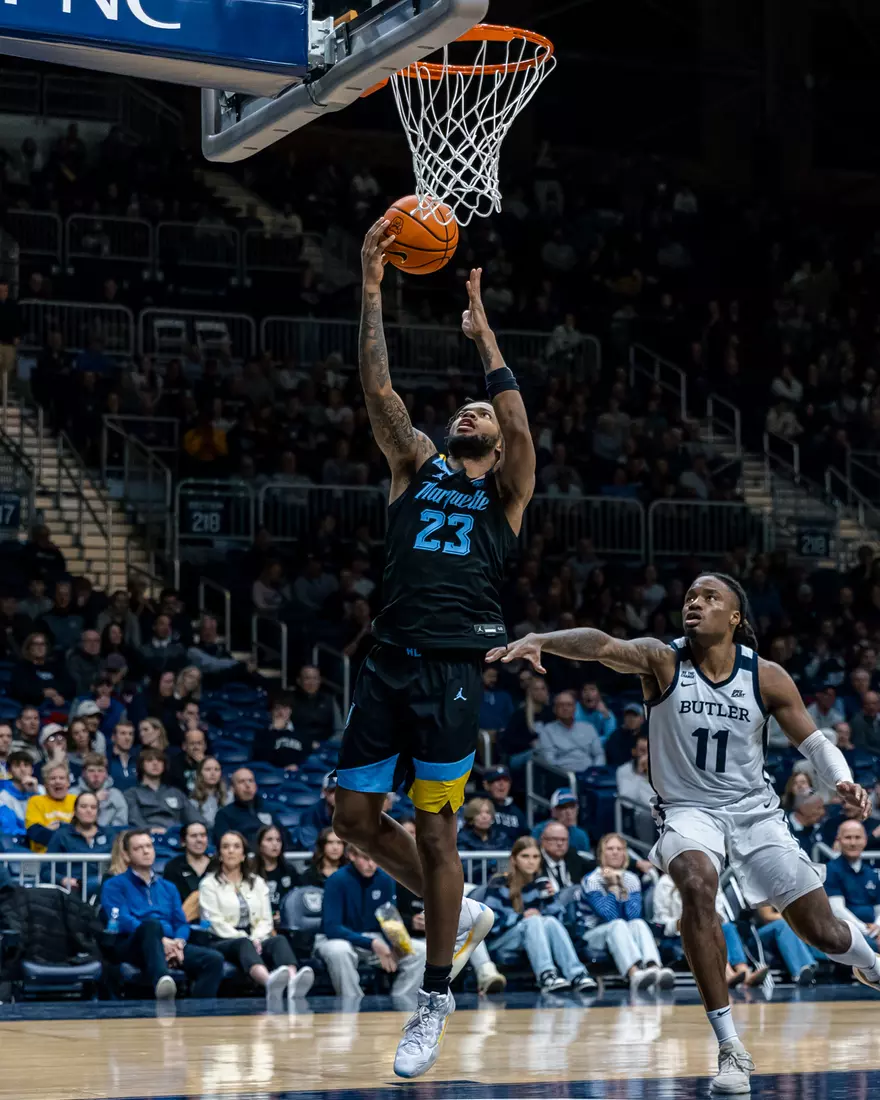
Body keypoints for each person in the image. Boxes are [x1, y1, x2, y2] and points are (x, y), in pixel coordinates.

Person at [491, 571, 880, 1093]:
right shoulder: (663, 659)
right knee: (697, 886)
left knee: (824, 934)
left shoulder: (765, 676)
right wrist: (545, 639)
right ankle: (730, 1047)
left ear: (735, 616)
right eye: (690, 595)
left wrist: (843, 781)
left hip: (755, 813)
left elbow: (814, 743)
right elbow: (602, 645)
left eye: (709, 597)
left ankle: (871, 965)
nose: (694, 602)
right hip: (686, 810)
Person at [333, 228, 535, 1079]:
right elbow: (378, 388)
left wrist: (485, 337)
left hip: (452, 674)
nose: (471, 414)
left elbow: (518, 422)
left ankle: (436, 995)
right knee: (351, 821)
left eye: (480, 414)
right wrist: (372, 284)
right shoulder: (415, 465)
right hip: (388, 661)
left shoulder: (508, 493)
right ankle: (458, 909)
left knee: (437, 831)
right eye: (466, 411)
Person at [101, 830, 224, 1000]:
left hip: (170, 944)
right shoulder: (114, 885)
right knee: (152, 924)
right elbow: (121, 919)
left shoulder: (168, 887)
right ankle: (163, 982)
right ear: (127, 855)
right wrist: (160, 939)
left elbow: (181, 923)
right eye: (138, 848)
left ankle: (199, 1011)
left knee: (213, 960)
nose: (146, 851)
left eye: (148, 846)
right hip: (133, 944)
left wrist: (179, 943)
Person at [199, 830, 314, 1006]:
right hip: (222, 939)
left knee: (279, 940)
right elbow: (214, 922)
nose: (231, 851)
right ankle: (269, 983)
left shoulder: (257, 882)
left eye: (236, 847)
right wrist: (246, 938)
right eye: (226, 847)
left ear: (243, 855)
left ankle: (293, 983)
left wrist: (256, 938)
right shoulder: (209, 884)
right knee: (243, 943)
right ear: (220, 854)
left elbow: (266, 919)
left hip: (255, 937)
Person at [314, 845, 427, 1001]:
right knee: (339, 951)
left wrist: (394, 943)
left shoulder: (385, 879)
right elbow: (332, 928)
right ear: (352, 855)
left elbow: (389, 920)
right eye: (366, 858)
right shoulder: (336, 880)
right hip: (338, 938)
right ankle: (352, 1004)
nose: (372, 864)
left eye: (376, 859)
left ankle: (402, 1002)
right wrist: (373, 944)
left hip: (376, 938)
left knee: (420, 951)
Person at [485, 836, 596, 993]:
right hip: (501, 939)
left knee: (549, 921)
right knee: (533, 921)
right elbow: (492, 922)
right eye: (525, 856)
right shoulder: (499, 883)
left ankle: (577, 974)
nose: (531, 861)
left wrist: (551, 899)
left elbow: (560, 921)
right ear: (514, 860)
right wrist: (522, 917)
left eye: (535, 857)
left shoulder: (541, 884)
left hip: (531, 934)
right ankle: (546, 975)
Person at [576, 832, 673, 992]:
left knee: (638, 923)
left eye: (619, 849)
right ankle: (634, 973)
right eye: (610, 849)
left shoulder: (631, 879)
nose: (615, 852)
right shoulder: (592, 880)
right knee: (617, 924)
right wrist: (612, 886)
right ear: (601, 854)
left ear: (624, 854)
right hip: (593, 935)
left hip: (622, 932)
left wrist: (621, 887)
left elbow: (633, 915)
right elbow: (609, 915)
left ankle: (654, 968)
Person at [652, 873, 769, 988]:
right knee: (705, 930)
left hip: (710, 929)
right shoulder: (665, 883)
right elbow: (660, 924)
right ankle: (727, 973)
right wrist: (684, 921)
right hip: (679, 936)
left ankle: (743, 971)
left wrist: (712, 915)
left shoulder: (710, 879)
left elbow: (721, 915)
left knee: (728, 927)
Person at [825, 820, 880, 944]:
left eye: (857, 837)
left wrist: (877, 928)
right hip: (846, 933)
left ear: (865, 840)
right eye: (848, 838)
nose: (853, 843)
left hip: (873, 933)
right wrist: (866, 930)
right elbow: (837, 910)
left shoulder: (871, 873)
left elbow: (879, 909)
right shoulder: (831, 870)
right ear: (838, 840)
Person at [45, 791, 111, 894]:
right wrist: (63, 880)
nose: (88, 810)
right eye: (83, 806)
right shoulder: (61, 835)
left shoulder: (109, 834)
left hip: (103, 890)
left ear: (98, 812)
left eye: (93, 807)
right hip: (71, 890)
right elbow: (45, 870)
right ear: (75, 811)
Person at [125, 748, 202, 834]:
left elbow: (196, 819)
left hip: (176, 835)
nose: (155, 763)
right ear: (141, 765)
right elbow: (135, 820)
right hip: (148, 836)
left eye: (159, 760)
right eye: (149, 760)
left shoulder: (176, 793)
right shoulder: (132, 793)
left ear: (164, 765)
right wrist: (149, 830)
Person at [536, 691, 606, 773]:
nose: (565, 708)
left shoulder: (588, 728)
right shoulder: (547, 730)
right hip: (563, 774)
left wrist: (595, 771)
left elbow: (599, 754)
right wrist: (566, 775)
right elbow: (550, 760)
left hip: (589, 773)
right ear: (554, 709)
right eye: (561, 705)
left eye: (569, 705)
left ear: (575, 708)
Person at [252, 824, 300, 926]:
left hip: (286, 922)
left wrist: (283, 915)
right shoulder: (250, 872)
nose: (275, 844)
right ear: (260, 844)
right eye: (269, 840)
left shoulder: (289, 870)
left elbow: (296, 900)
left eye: (278, 840)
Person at [25, 761, 76, 852]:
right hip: (44, 856)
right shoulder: (35, 801)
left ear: (68, 782)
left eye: (62, 778)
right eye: (52, 778)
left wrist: (56, 827)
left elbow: (84, 832)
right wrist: (68, 832)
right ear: (45, 784)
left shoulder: (76, 801)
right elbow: (36, 833)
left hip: (73, 856)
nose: (57, 781)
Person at [162, 820, 211, 911]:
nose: (199, 840)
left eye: (203, 835)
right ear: (183, 841)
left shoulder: (217, 865)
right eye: (193, 836)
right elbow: (169, 901)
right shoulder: (173, 867)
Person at [457, 797, 506, 884]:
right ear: (471, 817)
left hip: (498, 884)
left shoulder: (500, 836)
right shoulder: (462, 838)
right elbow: (466, 870)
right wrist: (492, 863)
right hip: (471, 885)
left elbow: (507, 866)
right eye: (479, 813)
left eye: (487, 812)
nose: (484, 816)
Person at [73, 751, 129, 828]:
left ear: (106, 774)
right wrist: (94, 799)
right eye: (91, 771)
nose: (96, 775)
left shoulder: (115, 795)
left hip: (110, 834)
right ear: (83, 773)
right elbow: (70, 823)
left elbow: (120, 826)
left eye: (100, 771)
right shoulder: (73, 793)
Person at [253, 697, 308, 772]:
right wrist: (274, 731)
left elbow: (306, 757)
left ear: (290, 711)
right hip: (271, 773)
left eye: (285, 708)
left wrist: (297, 766)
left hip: (298, 773)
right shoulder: (262, 734)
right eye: (277, 709)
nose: (281, 712)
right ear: (271, 712)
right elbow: (261, 758)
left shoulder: (302, 733)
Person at [531, 788, 591, 854]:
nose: (569, 812)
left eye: (572, 807)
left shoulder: (581, 836)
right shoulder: (540, 831)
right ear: (553, 811)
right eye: (563, 807)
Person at [481, 765, 528, 847]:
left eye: (506, 780)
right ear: (486, 785)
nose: (501, 784)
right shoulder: (478, 808)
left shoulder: (518, 813)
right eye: (497, 780)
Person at [539, 821, 592, 892]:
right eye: (555, 839)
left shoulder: (573, 856)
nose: (560, 843)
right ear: (543, 840)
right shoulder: (535, 859)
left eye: (564, 839)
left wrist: (605, 871)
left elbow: (597, 869)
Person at [0, 750, 40, 836]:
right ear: (9, 771)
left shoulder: (41, 790)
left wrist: (34, 794)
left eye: (26, 765)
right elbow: (10, 828)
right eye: (17, 766)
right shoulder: (3, 796)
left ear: (32, 769)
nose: (22, 769)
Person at [298, 772, 337, 848]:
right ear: (324, 791)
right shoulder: (310, 814)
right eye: (332, 790)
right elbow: (311, 845)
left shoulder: (353, 813)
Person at [188, 756, 228, 827]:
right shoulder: (192, 801)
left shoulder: (230, 796)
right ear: (199, 773)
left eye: (216, 769)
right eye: (208, 769)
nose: (213, 773)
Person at [167, 727, 208, 795]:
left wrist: (203, 765)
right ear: (184, 746)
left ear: (205, 746)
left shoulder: (211, 763)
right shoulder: (174, 764)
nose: (196, 747)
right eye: (192, 743)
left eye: (199, 743)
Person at [108, 721, 138, 792]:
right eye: (123, 733)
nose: (128, 738)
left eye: (130, 734)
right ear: (113, 737)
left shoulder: (138, 761)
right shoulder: (106, 760)